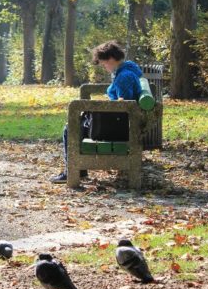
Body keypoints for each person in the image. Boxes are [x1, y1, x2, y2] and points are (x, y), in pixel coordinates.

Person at [50, 41, 143, 183]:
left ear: (111, 59)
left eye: (104, 64)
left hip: (121, 128)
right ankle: (76, 171)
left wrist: (98, 107)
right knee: (78, 124)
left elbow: (124, 104)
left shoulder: (124, 77)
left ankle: (73, 172)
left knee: (70, 128)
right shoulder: (126, 70)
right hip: (123, 123)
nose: (104, 67)